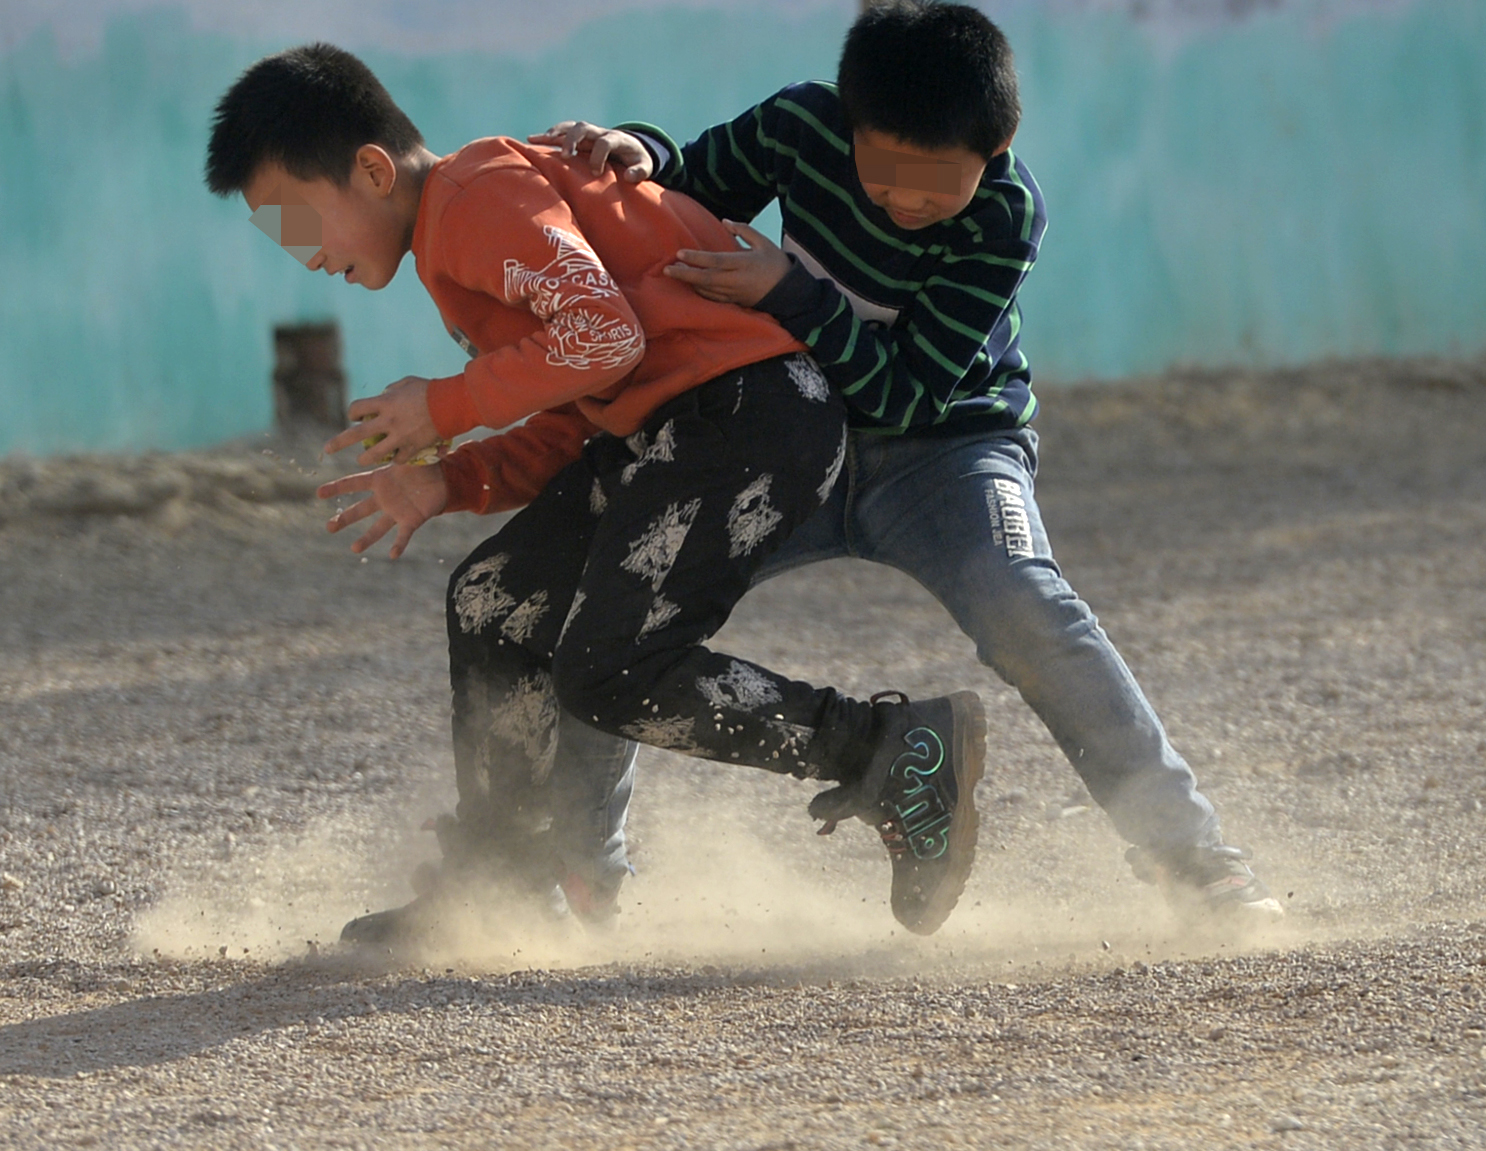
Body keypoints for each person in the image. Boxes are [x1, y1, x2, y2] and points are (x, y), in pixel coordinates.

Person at [203, 43, 988, 945]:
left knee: (610, 670)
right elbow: (579, 407)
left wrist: (445, 406)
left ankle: (891, 751)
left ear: (372, 170)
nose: (302, 257)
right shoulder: (455, 230)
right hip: (673, 429)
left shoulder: (468, 200)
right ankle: (499, 888)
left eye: (297, 222)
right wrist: (447, 479)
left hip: (746, 418)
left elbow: (600, 335)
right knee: (496, 602)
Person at [531, 0, 1283, 926]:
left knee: (1027, 605)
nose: (910, 203)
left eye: (941, 184)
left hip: (948, 452)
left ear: (997, 151)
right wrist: (636, 153)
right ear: (848, 127)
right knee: (625, 593)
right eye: (884, 175)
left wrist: (791, 291)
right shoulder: (801, 125)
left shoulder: (1007, 214)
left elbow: (907, 395)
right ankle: (577, 877)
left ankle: (1198, 864)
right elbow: (694, 180)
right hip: (787, 438)